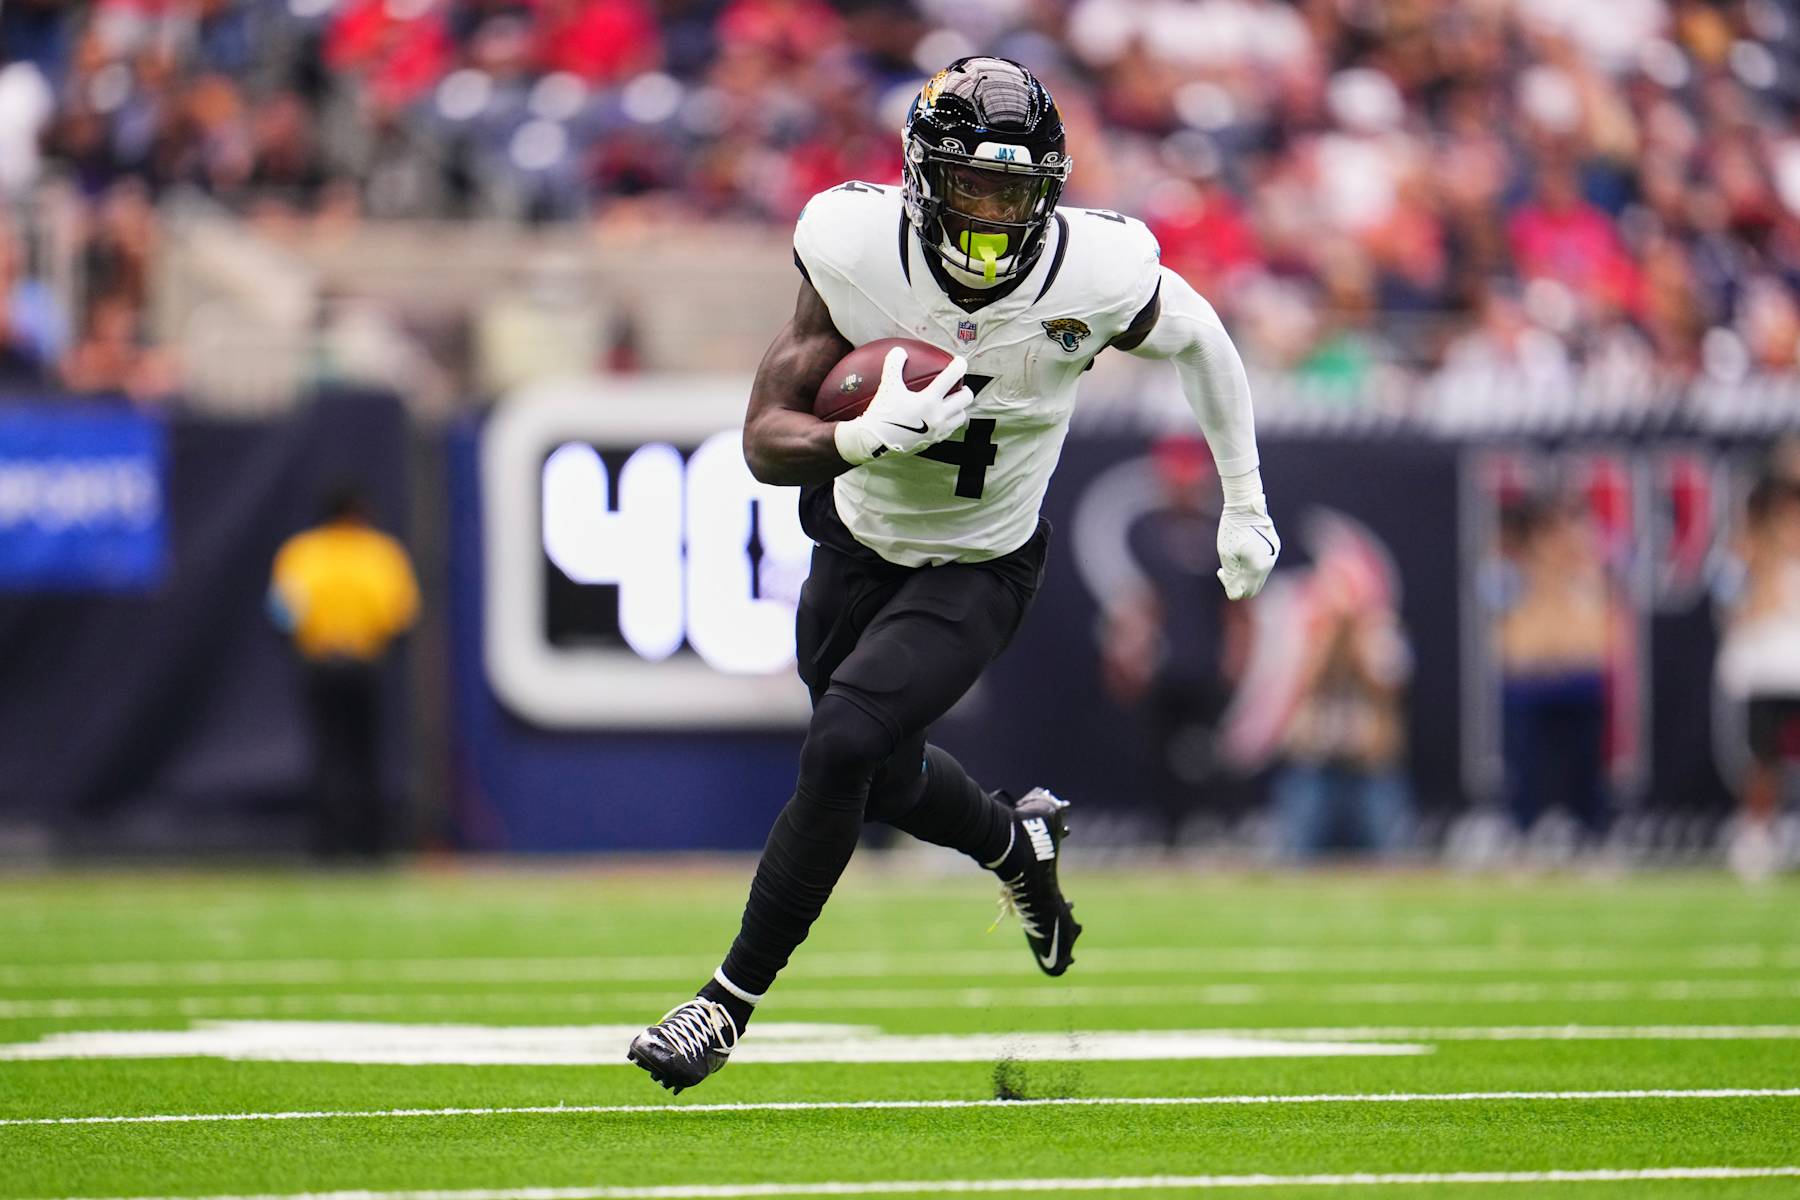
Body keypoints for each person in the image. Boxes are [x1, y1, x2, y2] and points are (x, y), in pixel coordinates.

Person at [626, 57, 1279, 1093]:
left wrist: (1243, 498)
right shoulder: (853, 247)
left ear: (1049, 194)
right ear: (923, 179)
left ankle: (724, 1003)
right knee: (876, 776)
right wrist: (859, 439)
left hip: (980, 563)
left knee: (842, 744)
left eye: (1014, 192)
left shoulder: (1095, 271)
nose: (990, 212)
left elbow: (1203, 342)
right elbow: (762, 439)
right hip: (852, 541)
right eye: (970, 185)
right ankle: (1017, 846)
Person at [269, 485, 421, 859]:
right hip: (363, 663)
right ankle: (370, 846)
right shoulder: (379, 552)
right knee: (365, 756)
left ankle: (327, 846)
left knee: (327, 755)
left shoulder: (302, 552)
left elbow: (282, 613)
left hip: (320, 663)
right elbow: (400, 616)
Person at [1716, 468, 1800, 881]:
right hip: (1766, 675)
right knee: (1764, 762)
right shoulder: (1750, 553)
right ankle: (1757, 837)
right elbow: (1725, 599)